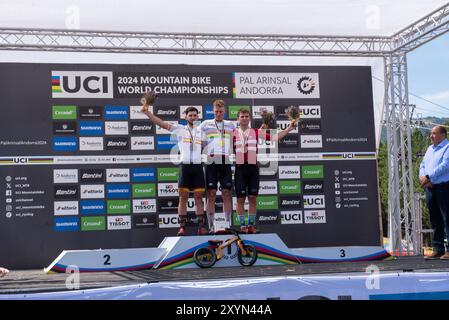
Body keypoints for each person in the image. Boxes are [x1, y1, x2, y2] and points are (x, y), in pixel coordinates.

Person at [141, 100, 208, 236]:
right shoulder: (179, 129)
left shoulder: (202, 132)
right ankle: (182, 227)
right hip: (185, 167)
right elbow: (160, 123)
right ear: (185, 116)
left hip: (197, 167)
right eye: (190, 115)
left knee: (198, 198)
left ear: (197, 117)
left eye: (195, 115)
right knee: (183, 198)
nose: (193, 117)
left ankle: (201, 227)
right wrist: (147, 112)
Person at [233, 108, 297, 233]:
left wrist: (289, 129)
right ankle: (242, 226)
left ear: (249, 118)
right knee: (240, 199)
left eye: (247, 116)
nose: (245, 118)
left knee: (252, 198)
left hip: (253, 168)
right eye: (242, 116)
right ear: (238, 119)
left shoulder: (256, 132)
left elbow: (274, 138)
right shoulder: (233, 133)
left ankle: (250, 226)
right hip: (240, 168)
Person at [197, 100, 235, 233]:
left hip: (225, 160)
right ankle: (211, 226)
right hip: (211, 161)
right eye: (216, 112)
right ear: (213, 111)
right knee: (211, 193)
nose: (218, 114)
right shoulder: (205, 124)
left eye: (221, 112)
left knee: (226, 193)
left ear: (224, 111)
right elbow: (195, 137)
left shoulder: (231, 125)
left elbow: (238, 140)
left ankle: (227, 225)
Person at [419, 125, 449, 259]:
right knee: (435, 219)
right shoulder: (430, 149)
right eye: (431, 133)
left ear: (443, 135)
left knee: (447, 218)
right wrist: (422, 177)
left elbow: (445, 166)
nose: (431, 136)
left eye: (434, 133)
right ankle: (438, 249)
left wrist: (429, 176)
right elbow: (422, 165)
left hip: (444, 187)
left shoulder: (447, 148)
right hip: (430, 187)